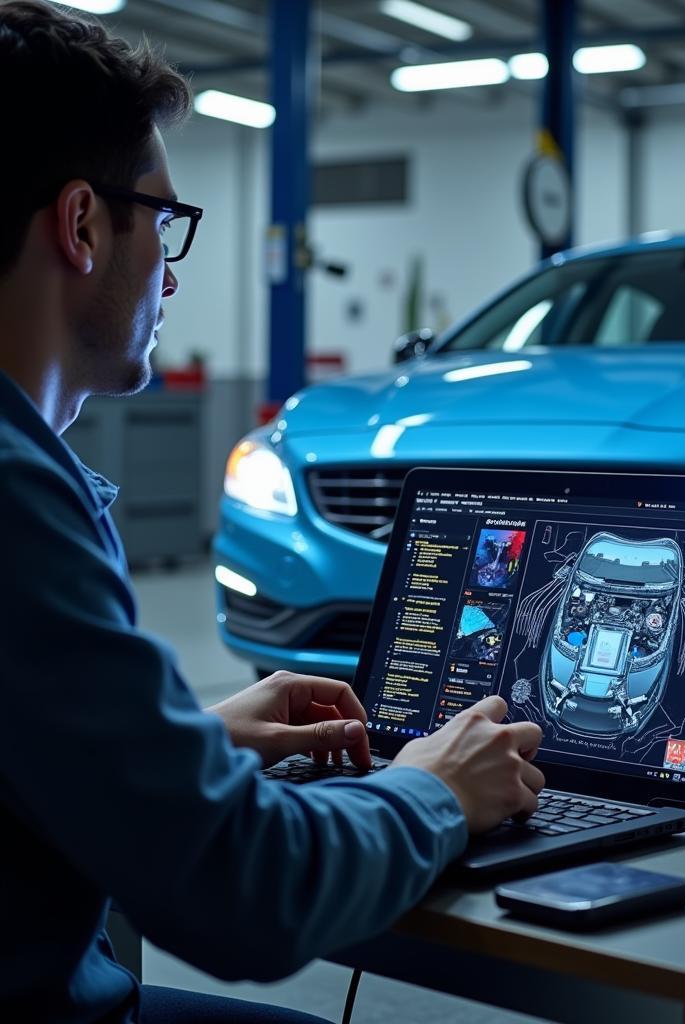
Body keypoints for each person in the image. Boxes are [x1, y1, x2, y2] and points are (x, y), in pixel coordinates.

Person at [0, 3, 545, 1022]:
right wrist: (438, 787)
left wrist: (187, 745)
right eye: (164, 220)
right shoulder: (16, 497)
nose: (169, 263)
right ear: (81, 225)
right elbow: (240, 889)